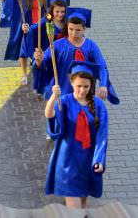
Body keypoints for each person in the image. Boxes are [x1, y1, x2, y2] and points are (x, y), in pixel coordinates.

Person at [44, 60, 109, 209]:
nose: (82, 90)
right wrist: (54, 96)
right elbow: (49, 115)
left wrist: (99, 159)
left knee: (83, 201)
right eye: (79, 86)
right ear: (72, 83)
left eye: (86, 86)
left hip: (88, 158)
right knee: (73, 204)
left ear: (91, 85)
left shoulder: (99, 106)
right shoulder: (65, 101)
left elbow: (102, 136)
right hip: (67, 158)